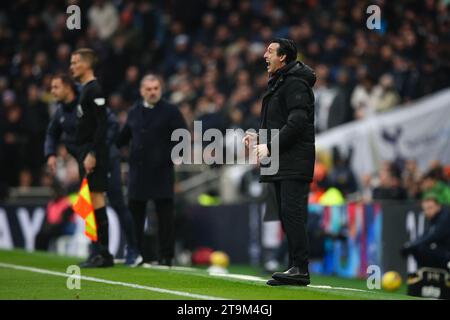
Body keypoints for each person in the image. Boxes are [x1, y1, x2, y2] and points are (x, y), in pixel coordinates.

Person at [44, 73, 141, 266]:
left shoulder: (87, 100)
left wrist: (97, 153)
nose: (52, 91)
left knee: (116, 201)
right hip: (85, 161)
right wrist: (50, 154)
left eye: (55, 87)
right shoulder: (61, 111)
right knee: (89, 206)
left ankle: (134, 250)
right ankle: (96, 251)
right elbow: (52, 133)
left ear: (67, 87)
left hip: (105, 158)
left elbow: (111, 125)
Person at [244, 38, 316, 286]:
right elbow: (280, 123)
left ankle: (300, 268)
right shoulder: (282, 82)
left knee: (291, 212)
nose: (264, 55)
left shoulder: (295, 83)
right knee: (286, 214)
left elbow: (297, 123)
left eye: (270, 51)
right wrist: (258, 137)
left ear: (283, 57)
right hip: (283, 159)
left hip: (293, 159)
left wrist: (269, 146)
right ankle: (294, 267)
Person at [117, 74, 187, 266]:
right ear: (142, 91)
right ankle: (135, 253)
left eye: (155, 88)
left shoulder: (171, 111)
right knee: (135, 216)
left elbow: (183, 135)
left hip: (161, 170)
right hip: (138, 172)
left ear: (160, 89)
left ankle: (166, 256)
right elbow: (122, 138)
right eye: (148, 89)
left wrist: (176, 155)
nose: (152, 92)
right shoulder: (133, 112)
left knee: (165, 216)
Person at [69, 48, 113, 267]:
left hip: (92, 152)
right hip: (85, 150)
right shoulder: (86, 90)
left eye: (75, 62)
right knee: (91, 201)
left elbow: (102, 123)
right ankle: (98, 252)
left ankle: (104, 253)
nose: (72, 66)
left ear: (86, 64)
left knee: (96, 200)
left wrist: (93, 153)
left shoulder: (95, 89)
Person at [401, 196, 450, 270]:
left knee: (421, 248)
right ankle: (428, 274)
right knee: (417, 248)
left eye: (430, 208)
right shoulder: (434, 220)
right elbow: (426, 234)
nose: (427, 212)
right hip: (444, 251)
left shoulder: (445, 216)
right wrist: (410, 245)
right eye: (425, 209)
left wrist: (411, 246)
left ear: (438, 206)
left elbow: (435, 235)